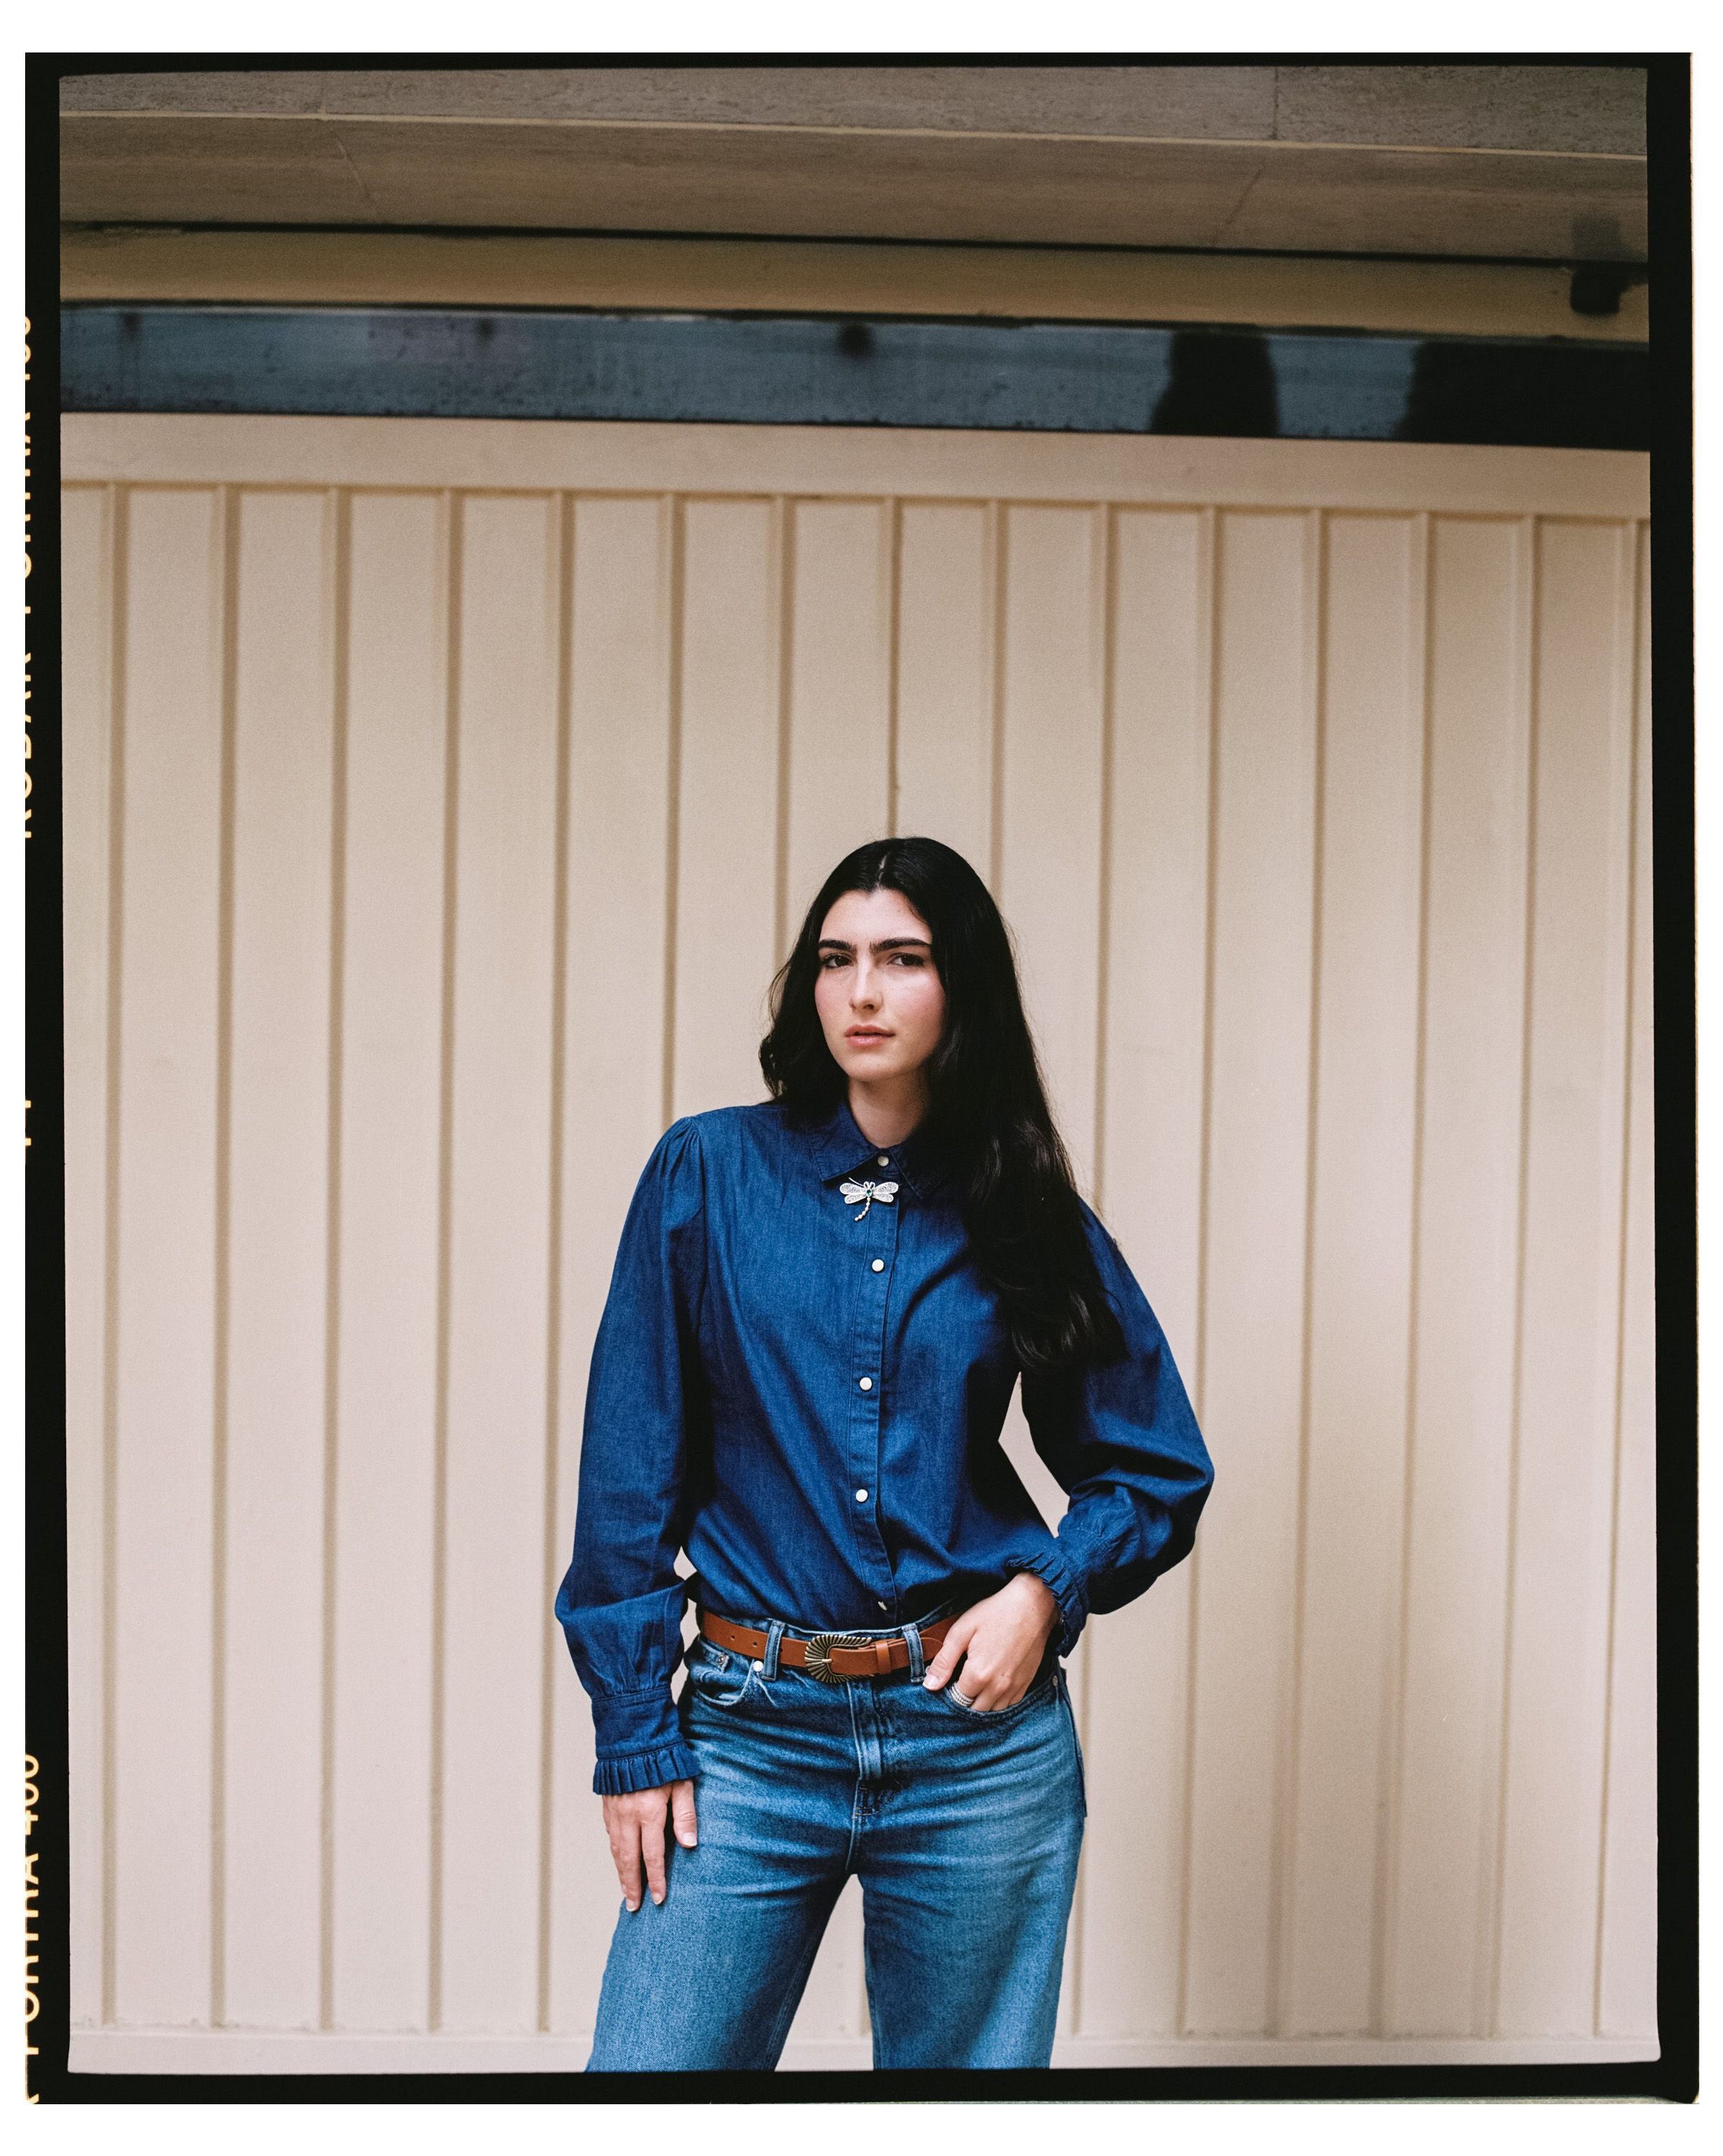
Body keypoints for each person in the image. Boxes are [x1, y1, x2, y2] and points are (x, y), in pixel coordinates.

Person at [555, 835, 1213, 2072]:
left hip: (975, 1745)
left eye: (903, 959)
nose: (861, 992)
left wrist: (1043, 1593)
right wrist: (634, 1734)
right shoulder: (707, 1174)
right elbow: (628, 1474)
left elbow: (1153, 1467)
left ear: (962, 987)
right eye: (835, 959)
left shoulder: (1023, 1205)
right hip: (750, 1733)